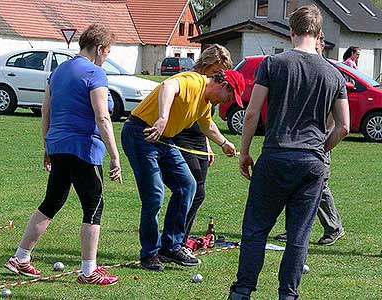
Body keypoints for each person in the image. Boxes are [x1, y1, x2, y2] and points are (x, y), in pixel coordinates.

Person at [228, 5, 350, 300]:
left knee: (256, 229)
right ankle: (288, 294)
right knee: (299, 235)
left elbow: (252, 113)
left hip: (275, 156)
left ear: (291, 31)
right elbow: (344, 126)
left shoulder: (273, 64)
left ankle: (242, 291)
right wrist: (321, 148)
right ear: (320, 34)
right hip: (311, 163)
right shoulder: (334, 74)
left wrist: (244, 152)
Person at [4, 24, 121, 285]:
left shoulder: (58, 71)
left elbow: (46, 110)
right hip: (84, 150)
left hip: (58, 146)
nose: (107, 57)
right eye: (108, 52)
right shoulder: (95, 73)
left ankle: (21, 257)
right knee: (94, 206)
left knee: (51, 202)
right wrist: (115, 156)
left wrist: (47, 146)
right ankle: (89, 272)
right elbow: (102, 117)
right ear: (100, 49)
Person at [121, 69, 245, 271]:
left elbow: (208, 125)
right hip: (141, 133)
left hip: (164, 140)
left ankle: (170, 247)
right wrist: (162, 118)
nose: (226, 102)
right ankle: (149, 254)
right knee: (154, 195)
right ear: (223, 85)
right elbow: (167, 86)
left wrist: (224, 143)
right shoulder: (194, 81)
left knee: (187, 186)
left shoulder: (205, 103)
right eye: (229, 97)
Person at [274, 31, 345, 246]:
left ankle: (334, 227)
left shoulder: (328, 72)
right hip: (300, 141)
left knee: (319, 185)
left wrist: (324, 142)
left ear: (321, 45)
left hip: (319, 141)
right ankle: (293, 228)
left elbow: (337, 118)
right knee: (293, 183)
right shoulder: (303, 67)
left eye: (319, 44)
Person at [173, 44, 233, 247]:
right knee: (194, 191)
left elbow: (205, 118)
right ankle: (177, 240)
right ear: (205, 65)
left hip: (199, 140)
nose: (219, 75)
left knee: (198, 192)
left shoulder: (212, 86)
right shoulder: (190, 80)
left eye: (222, 71)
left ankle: (181, 238)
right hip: (182, 137)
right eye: (216, 71)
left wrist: (208, 144)